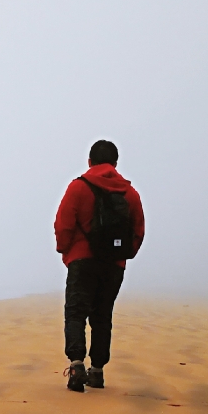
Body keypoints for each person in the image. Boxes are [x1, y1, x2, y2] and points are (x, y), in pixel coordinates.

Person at [54, 139, 145, 392]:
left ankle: (76, 365)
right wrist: (124, 255)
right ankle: (97, 371)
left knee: (76, 312)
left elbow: (63, 224)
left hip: (81, 260)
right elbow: (138, 230)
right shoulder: (130, 194)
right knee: (102, 315)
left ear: (90, 162)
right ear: (115, 164)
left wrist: (66, 251)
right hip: (114, 265)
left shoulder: (78, 187)